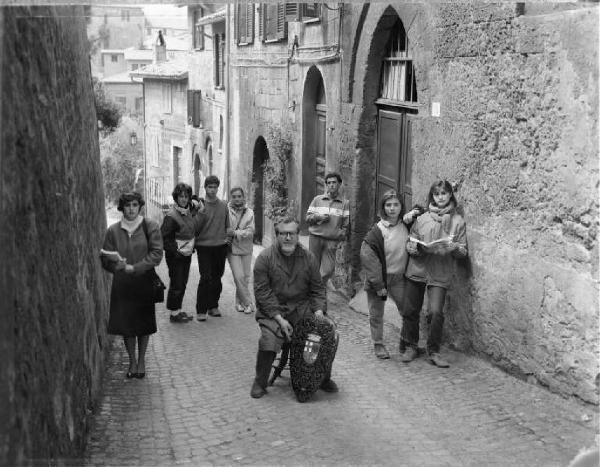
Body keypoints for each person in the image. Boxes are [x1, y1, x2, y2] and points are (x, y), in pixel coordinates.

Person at [250, 216, 338, 399]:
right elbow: (262, 293)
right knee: (268, 340)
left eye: (291, 233)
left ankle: (321, 377)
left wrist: (319, 312)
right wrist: (280, 320)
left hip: (301, 309)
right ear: (277, 236)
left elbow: (317, 288)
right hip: (273, 312)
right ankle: (260, 381)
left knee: (324, 334)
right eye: (283, 234)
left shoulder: (309, 258)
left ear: (298, 235)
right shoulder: (265, 258)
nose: (287, 238)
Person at [400, 180, 468, 367]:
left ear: (450, 196)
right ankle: (411, 346)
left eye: (444, 193)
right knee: (411, 310)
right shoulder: (422, 219)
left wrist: (454, 248)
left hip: (440, 272)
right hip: (418, 269)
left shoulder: (458, 221)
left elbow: (463, 252)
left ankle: (434, 351)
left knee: (436, 312)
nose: (441, 197)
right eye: (437, 194)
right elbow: (410, 242)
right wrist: (413, 247)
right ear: (432, 196)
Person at [100, 192, 163, 378]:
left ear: (140, 206)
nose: (131, 209)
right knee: (127, 325)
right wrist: (115, 266)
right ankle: (132, 361)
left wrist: (135, 268)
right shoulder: (113, 231)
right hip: (123, 285)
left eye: (135, 205)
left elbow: (156, 254)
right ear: (122, 208)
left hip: (144, 281)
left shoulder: (150, 226)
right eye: (127, 205)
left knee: (143, 324)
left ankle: (142, 360)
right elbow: (105, 258)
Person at [360, 190, 423, 359]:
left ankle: (406, 341)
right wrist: (379, 285)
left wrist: (415, 211)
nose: (392, 208)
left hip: (399, 278)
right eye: (388, 205)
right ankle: (378, 344)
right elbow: (367, 255)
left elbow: (422, 213)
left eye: (396, 204)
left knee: (407, 311)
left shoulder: (406, 224)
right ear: (383, 207)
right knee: (376, 314)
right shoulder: (378, 230)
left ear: (401, 207)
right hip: (379, 280)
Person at [161, 183, 203, 323]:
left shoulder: (188, 208)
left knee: (183, 283)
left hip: (186, 254)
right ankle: (174, 314)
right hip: (175, 256)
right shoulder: (171, 216)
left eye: (186, 196)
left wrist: (195, 200)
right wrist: (175, 252)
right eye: (181, 196)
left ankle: (177, 309)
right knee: (177, 283)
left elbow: (198, 199)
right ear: (176, 198)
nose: (184, 199)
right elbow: (164, 238)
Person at [194, 175, 232, 321]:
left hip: (220, 246)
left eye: (215, 187)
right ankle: (201, 310)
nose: (212, 189)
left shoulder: (223, 205)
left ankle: (213, 306)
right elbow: (195, 226)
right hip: (203, 246)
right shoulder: (200, 205)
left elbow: (227, 225)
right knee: (205, 277)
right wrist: (200, 212)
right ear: (205, 188)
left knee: (217, 278)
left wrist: (227, 239)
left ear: (218, 188)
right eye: (210, 187)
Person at [305, 172, 350, 286]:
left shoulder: (345, 203)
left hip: (331, 240)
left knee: (329, 270)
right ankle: (316, 292)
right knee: (313, 267)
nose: (331, 185)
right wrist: (318, 217)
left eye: (334, 182)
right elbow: (307, 218)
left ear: (339, 184)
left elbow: (346, 224)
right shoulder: (317, 200)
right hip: (315, 237)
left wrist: (339, 235)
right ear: (326, 185)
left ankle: (317, 287)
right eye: (329, 183)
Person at [227, 187, 256, 314]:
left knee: (245, 277)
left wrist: (235, 232)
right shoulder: (226, 211)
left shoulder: (250, 212)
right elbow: (225, 228)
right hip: (232, 249)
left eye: (239, 196)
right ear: (231, 198)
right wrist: (236, 233)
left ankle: (238, 302)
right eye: (234, 196)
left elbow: (251, 231)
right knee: (238, 277)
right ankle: (249, 303)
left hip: (246, 248)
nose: (237, 199)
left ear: (243, 197)